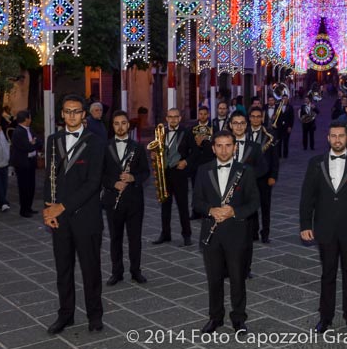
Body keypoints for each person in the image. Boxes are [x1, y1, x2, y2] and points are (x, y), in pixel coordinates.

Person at [300, 122, 347, 334]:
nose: (338, 139)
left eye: (341, 136)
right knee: (327, 274)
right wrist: (305, 224)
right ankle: (326, 317)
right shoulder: (315, 163)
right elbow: (307, 198)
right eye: (334, 136)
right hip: (325, 228)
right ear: (328, 138)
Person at [42, 94, 105, 334]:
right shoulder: (53, 140)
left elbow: (93, 183)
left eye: (76, 111)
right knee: (63, 269)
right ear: (62, 114)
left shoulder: (96, 142)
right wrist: (48, 210)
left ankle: (95, 315)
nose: (71, 115)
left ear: (83, 115)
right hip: (60, 218)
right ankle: (65, 314)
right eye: (67, 111)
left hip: (87, 216)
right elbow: (49, 177)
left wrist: (62, 206)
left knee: (91, 269)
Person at [193, 131, 260, 334]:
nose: (224, 150)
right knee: (213, 279)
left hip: (236, 233)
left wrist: (234, 211)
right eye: (219, 146)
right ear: (213, 148)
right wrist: (210, 210)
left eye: (228, 145)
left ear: (234, 147)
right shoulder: (203, 170)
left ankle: (239, 318)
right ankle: (215, 317)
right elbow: (196, 202)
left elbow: (254, 202)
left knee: (237, 278)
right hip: (211, 234)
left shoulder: (245, 171)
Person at [102, 110, 150, 286]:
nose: (120, 126)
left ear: (128, 125)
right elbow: (100, 174)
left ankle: (136, 271)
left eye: (123, 123)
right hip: (113, 200)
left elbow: (146, 172)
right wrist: (114, 183)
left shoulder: (137, 147)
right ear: (113, 126)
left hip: (134, 201)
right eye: (116, 123)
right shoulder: (105, 147)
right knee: (115, 238)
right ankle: (117, 272)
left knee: (135, 238)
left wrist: (133, 178)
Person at [228, 112, 267, 277]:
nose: (238, 126)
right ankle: (227, 267)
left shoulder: (255, 147)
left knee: (246, 237)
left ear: (246, 125)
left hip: (246, 197)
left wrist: (247, 176)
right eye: (235, 123)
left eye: (241, 123)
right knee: (226, 235)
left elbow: (263, 168)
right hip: (226, 196)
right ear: (230, 125)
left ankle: (246, 269)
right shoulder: (222, 144)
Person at [152, 108, 195, 246]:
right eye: (170, 117)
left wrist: (186, 161)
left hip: (179, 172)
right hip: (164, 172)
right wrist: (154, 154)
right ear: (166, 118)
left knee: (183, 205)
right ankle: (165, 234)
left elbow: (195, 152)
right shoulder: (161, 132)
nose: (173, 119)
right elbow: (156, 148)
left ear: (180, 118)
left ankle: (187, 235)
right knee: (165, 205)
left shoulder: (187, 132)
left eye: (176, 117)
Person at [247, 107, 278, 244]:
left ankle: (265, 233)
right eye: (253, 116)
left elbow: (275, 158)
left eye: (258, 116)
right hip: (248, 176)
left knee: (265, 206)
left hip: (265, 176)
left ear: (262, 118)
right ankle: (253, 232)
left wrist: (273, 176)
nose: (255, 119)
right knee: (251, 206)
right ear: (249, 118)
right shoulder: (244, 133)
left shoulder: (269, 133)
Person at [9, 110, 42, 217]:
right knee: (24, 187)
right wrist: (32, 144)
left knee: (31, 186)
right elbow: (26, 147)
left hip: (31, 161)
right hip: (22, 163)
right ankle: (24, 209)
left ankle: (29, 207)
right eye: (30, 118)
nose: (30, 120)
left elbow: (39, 142)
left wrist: (33, 143)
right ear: (26, 119)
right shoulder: (18, 132)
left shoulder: (30, 130)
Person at [276, 94, 294, 159]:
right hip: (279, 127)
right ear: (281, 99)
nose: (284, 100)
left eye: (286, 98)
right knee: (279, 142)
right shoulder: (278, 106)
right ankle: (279, 154)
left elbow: (292, 118)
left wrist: (290, 127)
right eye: (283, 98)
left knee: (286, 141)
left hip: (287, 126)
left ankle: (285, 154)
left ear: (287, 99)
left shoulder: (290, 107)